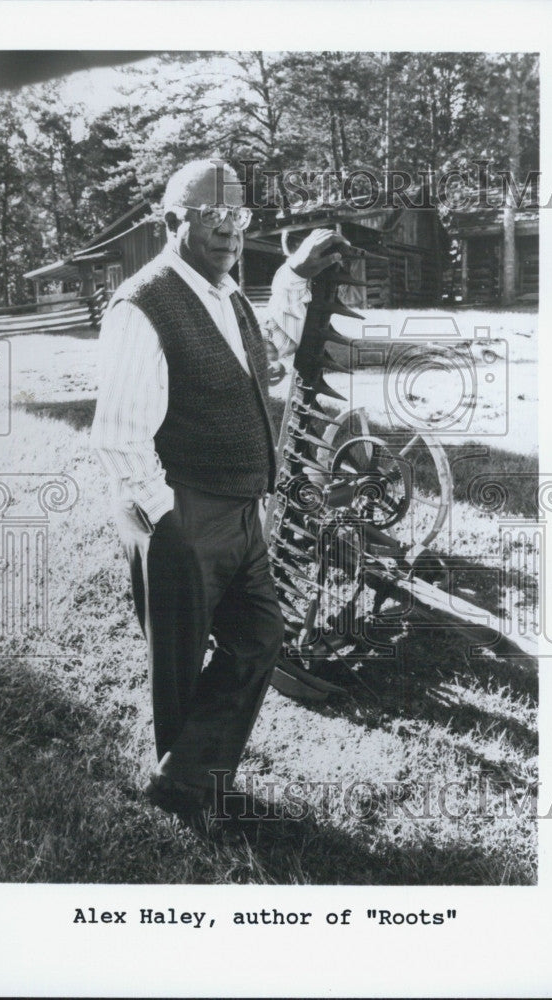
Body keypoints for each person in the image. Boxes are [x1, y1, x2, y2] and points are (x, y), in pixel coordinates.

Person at [91, 159, 346, 829]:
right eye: (214, 217)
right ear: (174, 222)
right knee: (178, 663)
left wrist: (293, 275)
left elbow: (270, 362)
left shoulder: (225, 293)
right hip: (184, 510)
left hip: (239, 511)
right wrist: (170, 523)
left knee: (259, 636)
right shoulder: (143, 305)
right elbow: (119, 435)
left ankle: (181, 778)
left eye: (240, 217)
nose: (231, 231)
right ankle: (190, 797)